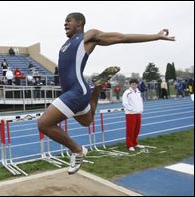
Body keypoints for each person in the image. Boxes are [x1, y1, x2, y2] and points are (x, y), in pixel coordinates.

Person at [37, 12, 175, 175]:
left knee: (44, 124)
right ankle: (97, 87)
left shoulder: (88, 36)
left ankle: (77, 150)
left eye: (69, 21)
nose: (65, 24)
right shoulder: (65, 45)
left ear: (80, 24)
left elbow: (122, 37)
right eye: (64, 21)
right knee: (87, 121)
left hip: (76, 91)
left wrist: (156, 36)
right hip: (72, 92)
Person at [122, 79, 145, 151]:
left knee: (137, 130)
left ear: (137, 84)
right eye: (132, 83)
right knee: (130, 130)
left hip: (138, 113)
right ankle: (129, 145)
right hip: (130, 114)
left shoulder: (138, 92)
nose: (134, 85)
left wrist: (141, 109)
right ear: (130, 84)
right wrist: (132, 109)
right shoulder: (127, 92)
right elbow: (125, 103)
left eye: (135, 83)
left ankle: (135, 143)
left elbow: (140, 101)